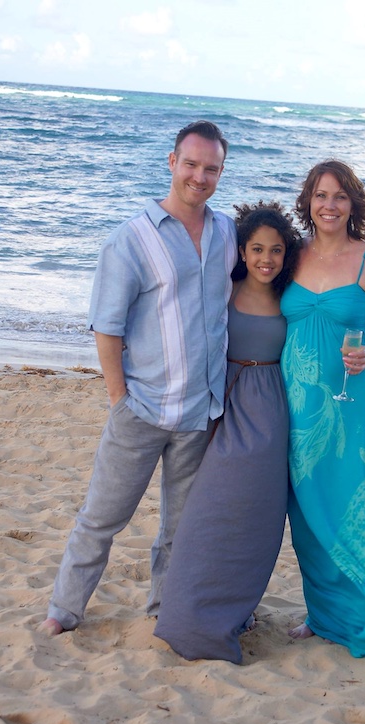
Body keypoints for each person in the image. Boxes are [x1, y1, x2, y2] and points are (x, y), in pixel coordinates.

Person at [40, 120, 238, 635]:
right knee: (101, 518)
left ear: (221, 172)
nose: (200, 176)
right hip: (142, 410)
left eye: (211, 167)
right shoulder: (130, 239)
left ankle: (164, 609)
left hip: (201, 414)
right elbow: (107, 327)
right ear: (172, 163)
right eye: (191, 164)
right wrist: (118, 398)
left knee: (181, 529)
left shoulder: (226, 233)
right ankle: (64, 611)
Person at [153, 201, 301, 663]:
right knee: (207, 513)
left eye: (276, 250)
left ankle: (239, 610)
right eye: (257, 248)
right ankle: (190, 614)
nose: (266, 259)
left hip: (271, 410)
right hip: (222, 403)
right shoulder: (223, 286)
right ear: (241, 250)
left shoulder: (291, 295)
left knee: (256, 519)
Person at [280, 159, 365, 658]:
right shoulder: (289, 256)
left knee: (359, 503)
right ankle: (322, 614)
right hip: (292, 405)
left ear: (354, 204)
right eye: (321, 195)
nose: (329, 205)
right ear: (308, 201)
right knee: (307, 515)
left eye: (340, 196)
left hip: (351, 407)